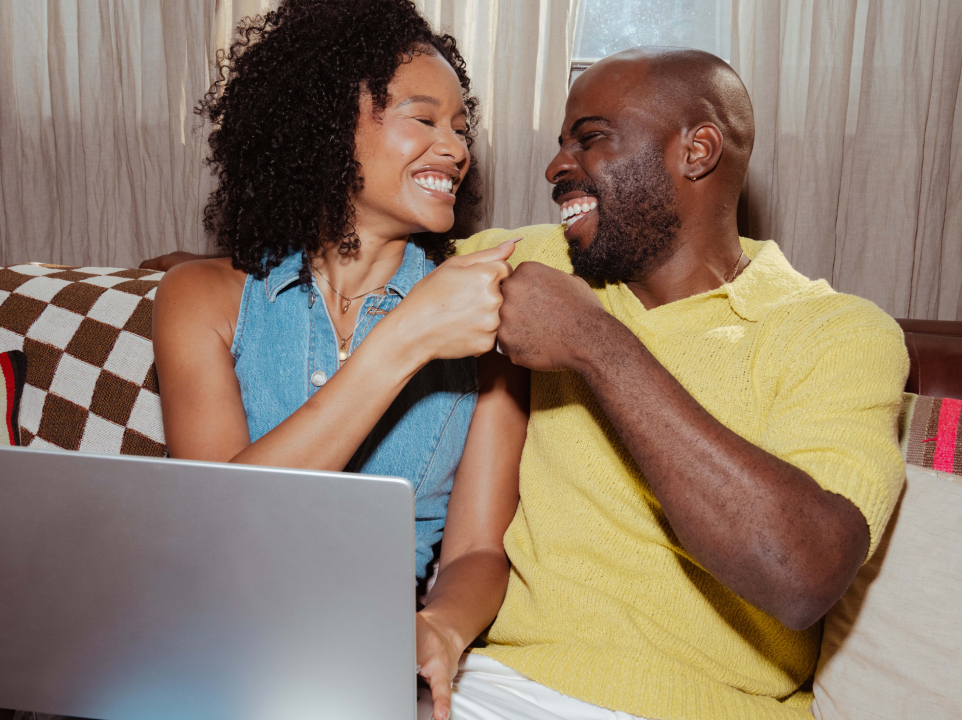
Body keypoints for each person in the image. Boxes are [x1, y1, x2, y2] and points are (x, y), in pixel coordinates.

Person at [442, 48, 908, 720]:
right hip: (495, 690)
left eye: (591, 137)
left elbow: (801, 574)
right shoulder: (538, 261)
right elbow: (355, 263)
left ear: (697, 151)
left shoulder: (837, 332)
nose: (555, 168)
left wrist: (596, 345)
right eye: (560, 143)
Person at [150, 3, 526, 720]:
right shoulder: (199, 299)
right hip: (206, 639)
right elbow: (218, 526)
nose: (453, 147)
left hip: (359, 665)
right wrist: (405, 338)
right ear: (324, 126)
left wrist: (440, 629)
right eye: (424, 118)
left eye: (460, 126)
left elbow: (478, 551)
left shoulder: (492, 324)